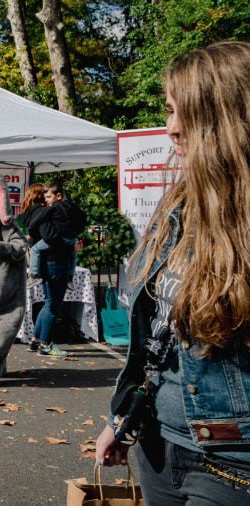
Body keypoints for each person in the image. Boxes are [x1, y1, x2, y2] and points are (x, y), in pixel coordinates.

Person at [95, 41, 250, 505]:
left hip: (234, 458)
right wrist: (122, 420)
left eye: (186, 114)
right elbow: (156, 337)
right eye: (169, 111)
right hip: (160, 442)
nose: (172, 129)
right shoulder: (178, 206)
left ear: (228, 120)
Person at [21, 180, 80, 357]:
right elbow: (51, 237)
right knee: (53, 305)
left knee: (49, 304)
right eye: (46, 196)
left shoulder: (29, 212)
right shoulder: (44, 212)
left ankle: (36, 340)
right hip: (56, 261)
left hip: (48, 262)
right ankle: (45, 344)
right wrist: (69, 248)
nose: (47, 200)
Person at [24, 181, 85, 291]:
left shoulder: (51, 208)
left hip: (58, 239)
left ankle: (34, 276)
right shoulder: (72, 206)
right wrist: (77, 230)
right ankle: (70, 278)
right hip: (72, 239)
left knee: (35, 250)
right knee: (73, 253)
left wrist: (30, 232)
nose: (46, 200)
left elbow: (35, 221)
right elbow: (83, 217)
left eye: (48, 197)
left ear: (58, 196)